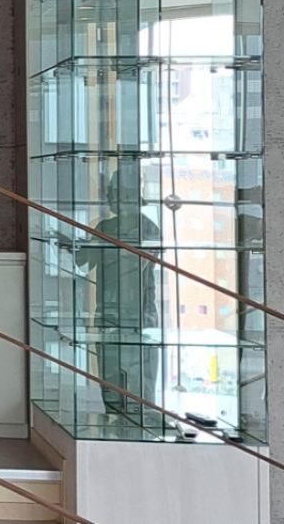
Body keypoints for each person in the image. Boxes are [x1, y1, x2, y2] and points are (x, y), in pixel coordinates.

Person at [73, 170, 161, 424]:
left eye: (116, 193)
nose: (111, 199)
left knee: (138, 380)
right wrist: (74, 242)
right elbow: (83, 262)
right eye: (110, 193)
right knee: (110, 375)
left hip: (138, 315)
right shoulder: (105, 227)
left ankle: (138, 423)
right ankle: (115, 419)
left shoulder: (148, 228)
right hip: (107, 312)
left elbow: (137, 265)